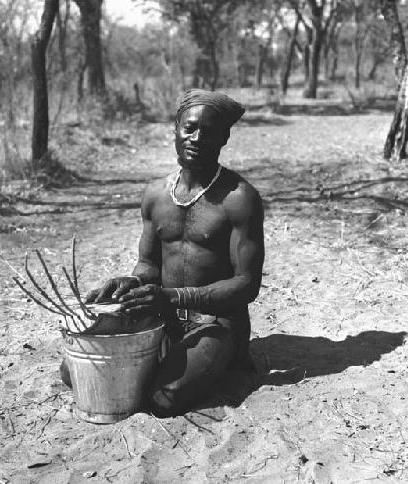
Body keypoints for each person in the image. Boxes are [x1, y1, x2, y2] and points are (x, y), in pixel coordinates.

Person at [66, 89, 265, 417]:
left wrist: (173, 297)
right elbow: (148, 264)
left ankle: (223, 360)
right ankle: (173, 359)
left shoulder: (239, 198)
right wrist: (129, 283)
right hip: (164, 315)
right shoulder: (156, 195)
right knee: (73, 370)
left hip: (216, 321)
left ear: (224, 139)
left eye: (209, 132)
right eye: (189, 129)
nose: (196, 138)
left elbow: (247, 284)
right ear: (175, 129)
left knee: (162, 400)